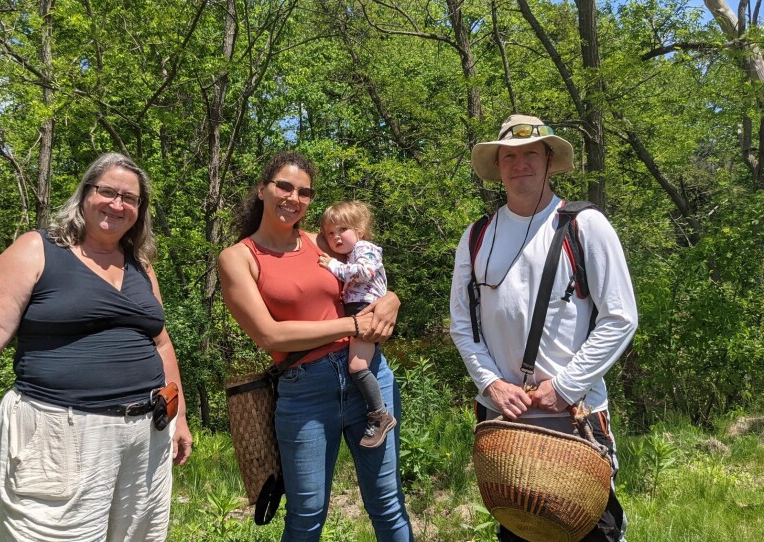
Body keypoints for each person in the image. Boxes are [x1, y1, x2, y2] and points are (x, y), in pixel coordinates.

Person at [0, 152, 193, 542]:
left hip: (147, 433)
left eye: (130, 198)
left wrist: (180, 418)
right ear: (85, 193)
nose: (118, 204)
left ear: (140, 210)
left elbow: (160, 342)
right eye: (107, 192)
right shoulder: (37, 249)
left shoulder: (141, 266)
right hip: (61, 433)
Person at [449, 114, 638, 542]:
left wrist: (567, 386)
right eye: (509, 157)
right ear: (497, 167)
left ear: (549, 160)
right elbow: (462, 325)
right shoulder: (477, 236)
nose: (520, 165)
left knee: (591, 531)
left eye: (530, 153)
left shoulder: (584, 225)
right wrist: (491, 383)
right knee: (519, 531)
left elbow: (620, 318)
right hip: (505, 423)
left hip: (575, 418)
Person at [218, 151, 414, 541]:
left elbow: (366, 278)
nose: (293, 197)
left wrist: (393, 298)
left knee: (387, 503)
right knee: (306, 515)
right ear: (262, 189)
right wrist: (353, 324)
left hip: (367, 375)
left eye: (304, 192)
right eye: (284, 186)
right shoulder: (238, 258)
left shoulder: (318, 241)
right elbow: (269, 335)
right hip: (305, 389)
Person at [318, 200, 395, 449]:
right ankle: (377, 412)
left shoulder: (364, 248)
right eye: (330, 233)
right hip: (358, 311)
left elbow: (365, 273)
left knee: (356, 367)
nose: (336, 237)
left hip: (365, 311)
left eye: (343, 229)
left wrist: (334, 266)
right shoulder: (353, 251)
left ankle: (379, 414)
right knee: (357, 366)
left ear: (359, 231)